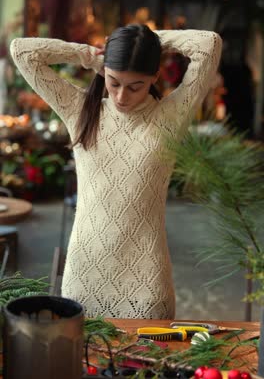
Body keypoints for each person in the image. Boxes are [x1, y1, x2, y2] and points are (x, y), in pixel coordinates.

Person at [10, 24, 222, 319]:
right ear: (103, 72)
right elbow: (22, 51)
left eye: (136, 86)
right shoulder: (81, 109)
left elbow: (208, 44)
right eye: (113, 81)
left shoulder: (170, 117)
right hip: (83, 278)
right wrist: (88, 54)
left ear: (155, 78)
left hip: (147, 285)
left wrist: (149, 41)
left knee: (148, 365)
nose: (122, 96)